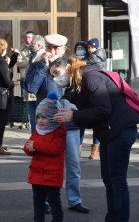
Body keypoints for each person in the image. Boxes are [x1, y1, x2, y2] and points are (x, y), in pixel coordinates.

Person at [51, 56, 139, 222]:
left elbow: (103, 109)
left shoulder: (90, 77)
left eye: (57, 72)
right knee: (108, 178)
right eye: (52, 75)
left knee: (117, 179)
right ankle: (112, 217)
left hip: (121, 129)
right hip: (108, 132)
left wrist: (74, 115)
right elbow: (73, 103)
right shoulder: (75, 84)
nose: (55, 78)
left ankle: (119, 218)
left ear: (69, 67)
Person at [26, 34, 89, 214]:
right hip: (47, 127)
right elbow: (30, 87)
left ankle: (75, 200)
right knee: (45, 163)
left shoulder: (71, 67)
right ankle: (45, 201)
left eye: (56, 48)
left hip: (70, 125)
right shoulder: (38, 65)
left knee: (73, 164)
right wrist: (42, 66)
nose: (52, 51)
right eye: (50, 47)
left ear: (64, 49)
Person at [24, 92, 66, 222]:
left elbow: (55, 149)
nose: (40, 120)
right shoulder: (38, 131)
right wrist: (29, 148)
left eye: (44, 117)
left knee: (54, 202)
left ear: (53, 118)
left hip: (51, 175)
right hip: (36, 174)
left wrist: (36, 145)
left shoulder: (59, 131)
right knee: (38, 202)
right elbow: (28, 147)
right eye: (38, 117)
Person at [74, 41, 100, 160]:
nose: (89, 49)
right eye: (87, 47)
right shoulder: (76, 60)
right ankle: (77, 148)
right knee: (80, 122)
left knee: (97, 124)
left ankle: (95, 149)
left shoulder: (95, 58)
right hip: (81, 96)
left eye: (90, 47)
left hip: (94, 95)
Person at [26, 35, 46, 133]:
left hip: (38, 91)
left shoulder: (43, 55)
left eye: (33, 43)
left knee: (38, 117)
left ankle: (36, 138)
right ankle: (34, 137)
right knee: (32, 116)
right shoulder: (33, 55)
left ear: (39, 44)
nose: (31, 45)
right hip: (31, 91)